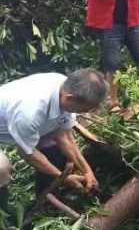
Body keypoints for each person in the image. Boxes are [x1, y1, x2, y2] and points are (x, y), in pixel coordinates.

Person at [0, 69, 109, 211]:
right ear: (69, 99)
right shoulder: (30, 112)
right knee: (1, 169)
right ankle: (3, 221)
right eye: (86, 109)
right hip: (21, 120)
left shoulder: (64, 86)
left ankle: (46, 201)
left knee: (54, 149)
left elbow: (64, 136)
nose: (87, 112)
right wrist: (63, 178)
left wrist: (87, 171)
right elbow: (27, 153)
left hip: (23, 122)